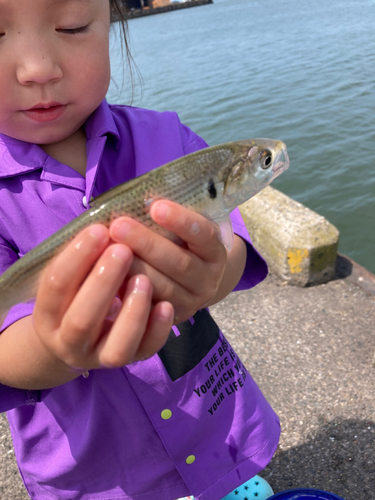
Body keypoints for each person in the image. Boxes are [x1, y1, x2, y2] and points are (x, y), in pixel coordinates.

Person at [0, 1, 280, 499]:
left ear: (112, 21)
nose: (38, 69)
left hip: (215, 435)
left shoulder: (167, 137)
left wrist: (213, 271)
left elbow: (232, 241)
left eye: (72, 26)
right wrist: (56, 344)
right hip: (97, 477)